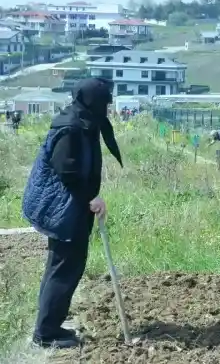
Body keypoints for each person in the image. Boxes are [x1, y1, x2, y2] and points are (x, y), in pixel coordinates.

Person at [21, 77, 123, 349]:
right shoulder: (71, 128)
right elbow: (67, 171)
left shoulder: (82, 120)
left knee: (62, 266)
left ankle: (49, 325)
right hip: (64, 208)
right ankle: (46, 334)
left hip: (69, 206)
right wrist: (91, 197)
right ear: (92, 102)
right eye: (104, 103)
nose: (107, 108)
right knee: (65, 268)